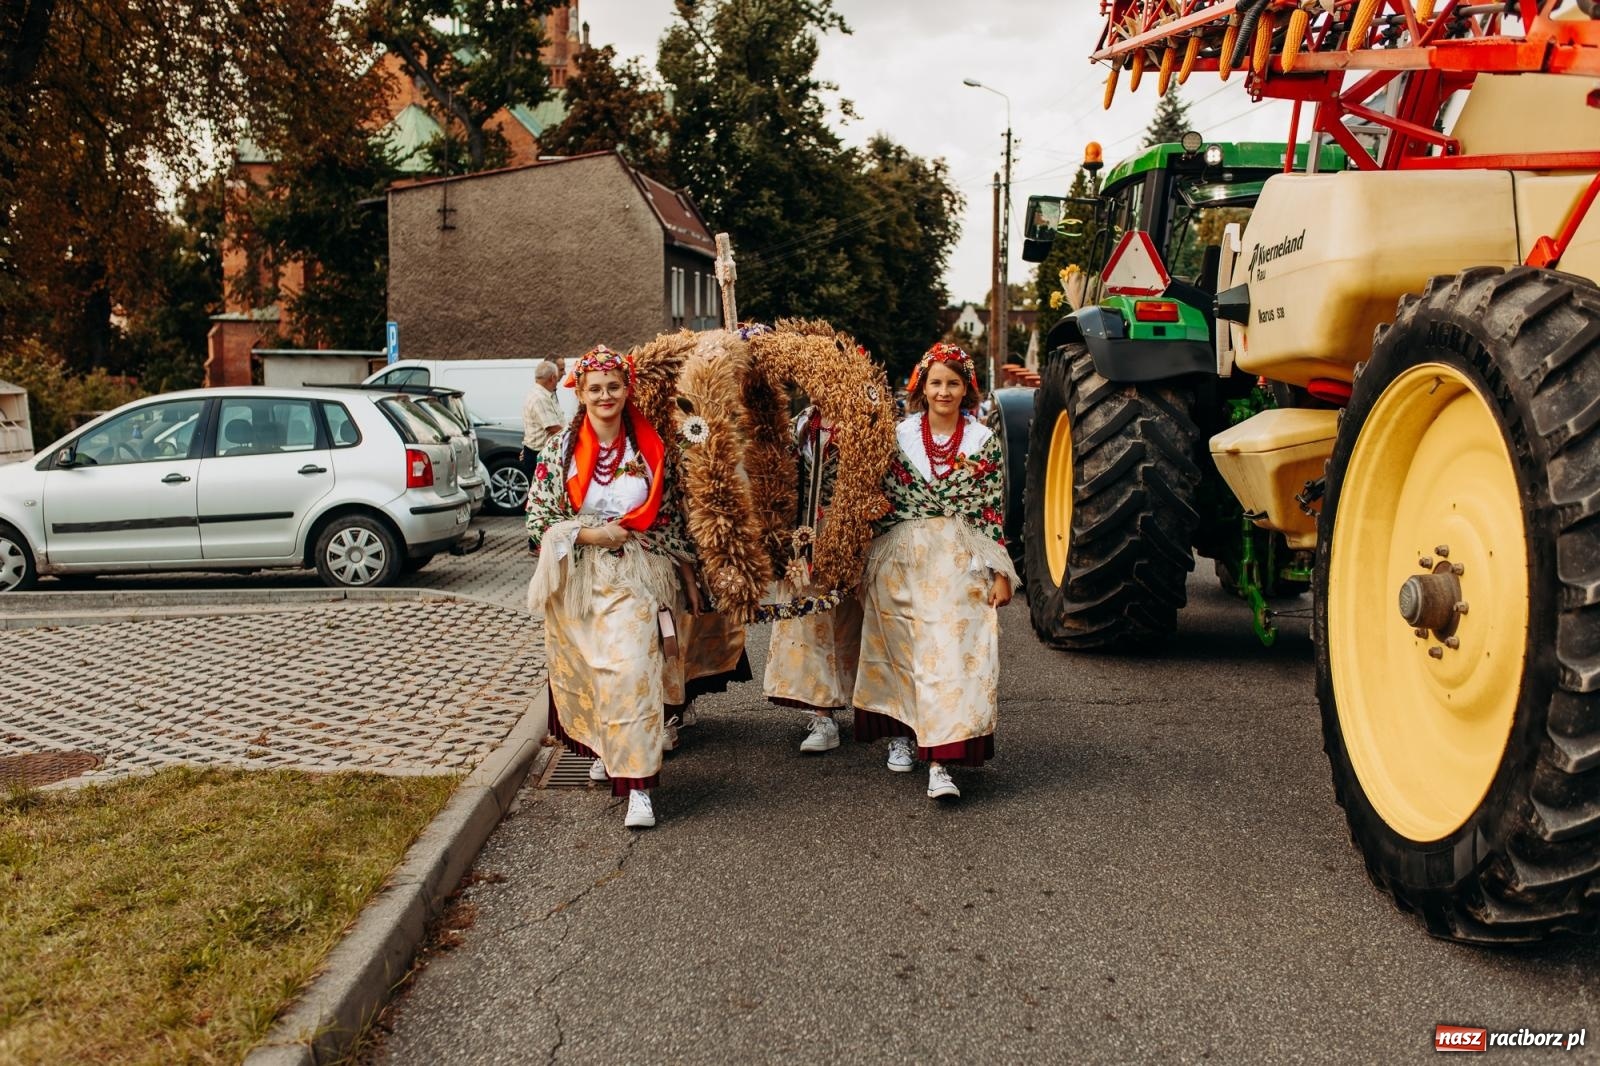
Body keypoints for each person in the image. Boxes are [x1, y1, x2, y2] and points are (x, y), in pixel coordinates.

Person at [525, 345, 701, 829]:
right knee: (592, 673)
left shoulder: (649, 449)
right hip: (578, 582)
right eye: (595, 388)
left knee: (631, 673)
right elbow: (538, 522)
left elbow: (668, 519)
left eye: (614, 387)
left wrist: (688, 573)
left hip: (636, 576)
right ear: (580, 392)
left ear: (628, 390)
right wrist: (590, 533)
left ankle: (639, 785)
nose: (605, 396)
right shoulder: (558, 452)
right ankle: (606, 749)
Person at [852, 342, 1017, 801]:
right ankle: (904, 733)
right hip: (901, 559)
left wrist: (999, 571)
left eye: (953, 383)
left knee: (951, 656)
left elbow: (988, 512)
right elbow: (874, 500)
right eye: (936, 382)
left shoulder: (983, 441)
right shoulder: (898, 435)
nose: (944, 391)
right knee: (903, 648)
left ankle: (941, 762)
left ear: (967, 389)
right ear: (921, 387)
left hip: (959, 562)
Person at [764, 405, 862, 753]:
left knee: (851, 623)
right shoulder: (799, 424)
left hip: (850, 533)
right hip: (804, 536)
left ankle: (875, 710)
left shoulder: (864, 419)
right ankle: (823, 714)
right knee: (809, 624)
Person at [520, 360, 565, 482]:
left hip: (537, 452)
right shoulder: (540, 397)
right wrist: (575, 435)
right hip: (539, 454)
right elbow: (553, 428)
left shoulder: (543, 394)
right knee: (541, 495)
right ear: (553, 378)